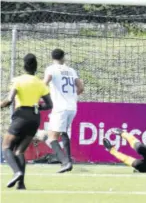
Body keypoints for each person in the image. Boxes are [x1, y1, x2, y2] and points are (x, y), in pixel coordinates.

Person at [1, 54, 53, 189]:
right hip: (35, 118)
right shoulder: (40, 83)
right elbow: (49, 104)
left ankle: (16, 172)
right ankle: (21, 184)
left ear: (24, 66)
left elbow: (9, 100)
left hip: (21, 116)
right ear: (36, 68)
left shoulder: (18, 80)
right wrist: (37, 107)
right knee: (20, 151)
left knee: (6, 146)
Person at [43, 49, 84, 173]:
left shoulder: (51, 69)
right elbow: (81, 87)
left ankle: (65, 162)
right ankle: (68, 159)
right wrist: (71, 96)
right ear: (63, 57)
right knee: (64, 132)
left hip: (60, 107)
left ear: (52, 57)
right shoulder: (71, 70)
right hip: (72, 107)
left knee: (51, 137)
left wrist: (45, 96)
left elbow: (44, 83)